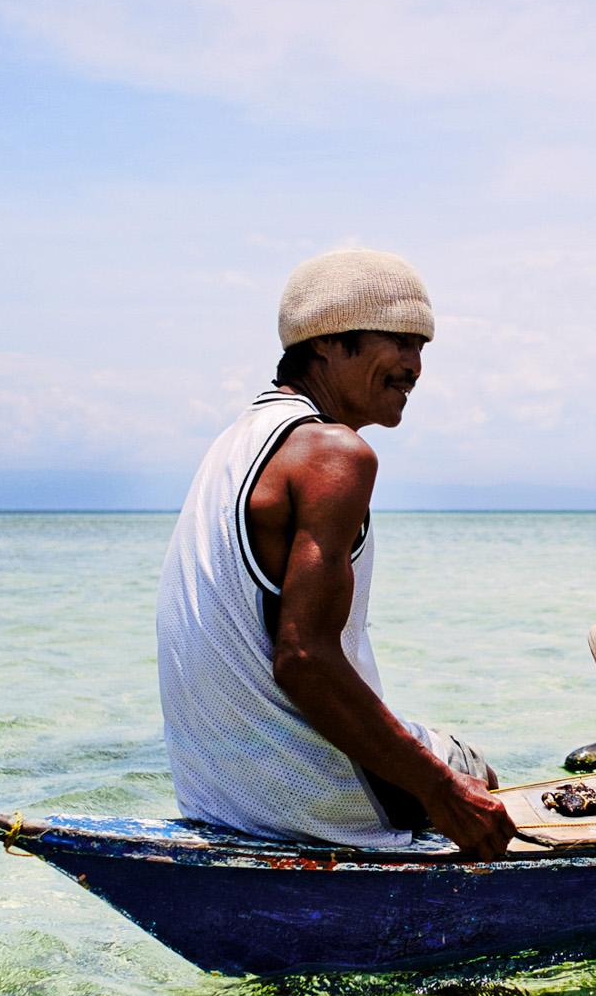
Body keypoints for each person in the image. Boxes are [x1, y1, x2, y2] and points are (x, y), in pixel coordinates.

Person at [156, 249, 514, 860]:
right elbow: (303, 660)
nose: (414, 366)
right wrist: (442, 790)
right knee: (474, 771)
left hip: (214, 796)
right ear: (325, 341)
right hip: (305, 799)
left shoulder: (235, 442)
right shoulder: (335, 453)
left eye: (422, 345)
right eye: (398, 341)